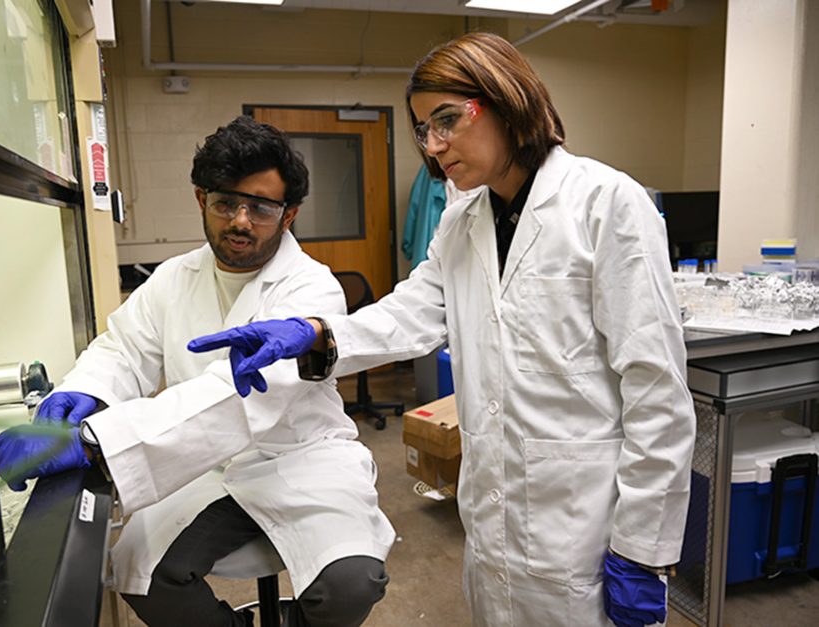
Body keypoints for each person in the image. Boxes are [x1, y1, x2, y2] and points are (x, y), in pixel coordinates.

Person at [188, 33, 696, 627]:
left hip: (586, 517)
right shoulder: (462, 224)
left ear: (506, 99)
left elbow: (657, 390)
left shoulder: (606, 204)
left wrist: (643, 548)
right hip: (494, 517)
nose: (434, 144)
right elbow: (411, 314)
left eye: (447, 120)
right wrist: (316, 334)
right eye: (424, 128)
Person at [0, 116, 395, 627]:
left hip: (302, 458)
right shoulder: (172, 279)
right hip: (207, 467)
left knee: (351, 584)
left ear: (288, 216)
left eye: (261, 208)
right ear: (202, 200)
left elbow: (244, 397)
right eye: (226, 203)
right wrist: (85, 391)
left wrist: (96, 443)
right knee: (138, 573)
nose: (241, 221)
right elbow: (123, 349)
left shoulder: (311, 288)